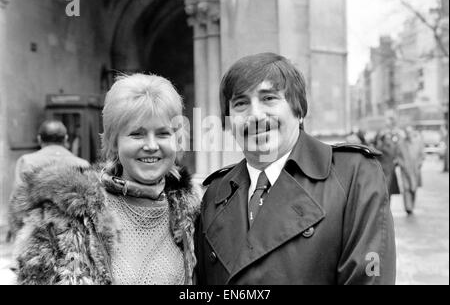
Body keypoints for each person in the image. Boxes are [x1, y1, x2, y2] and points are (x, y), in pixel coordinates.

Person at [195, 53, 396, 285]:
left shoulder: (355, 177)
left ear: (298, 110)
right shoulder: (215, 195)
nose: (255, 115)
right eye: (241, 103)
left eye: (269, 98)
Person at [10, 74, 201, 285]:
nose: (151, 145)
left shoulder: (195, 213)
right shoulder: (66, 218)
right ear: (113, 142)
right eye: (137, 134)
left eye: (163, 133)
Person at [7, 120, 90, 241]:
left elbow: (16, 203)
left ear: (39, 139)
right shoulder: (81, 164)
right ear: (66, 139)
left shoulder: (26, 161)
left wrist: (16, 234)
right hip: (72, 238)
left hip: (35, 236)